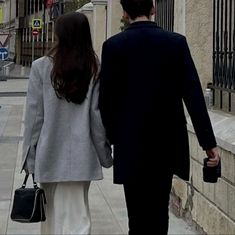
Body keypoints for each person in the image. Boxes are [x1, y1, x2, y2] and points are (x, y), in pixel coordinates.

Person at [98, 0, 220, 234]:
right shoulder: (175, 43)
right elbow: (193, 95)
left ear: (124, 13)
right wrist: (208, 143)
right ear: (153, 8)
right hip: (166, 144)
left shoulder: (113, 46)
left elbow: (106, 101)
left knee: (136, 215)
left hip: (130, 143)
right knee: (158, 212)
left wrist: (114, 136)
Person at [21, 12, 113, 235]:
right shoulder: (94, 67)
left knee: (50, 219)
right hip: (81, 157)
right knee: (78, 218)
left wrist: (29, 159)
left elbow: (34, 119)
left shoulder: (41, 67)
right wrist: (105, 154)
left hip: (49, 153)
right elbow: (96, 117)